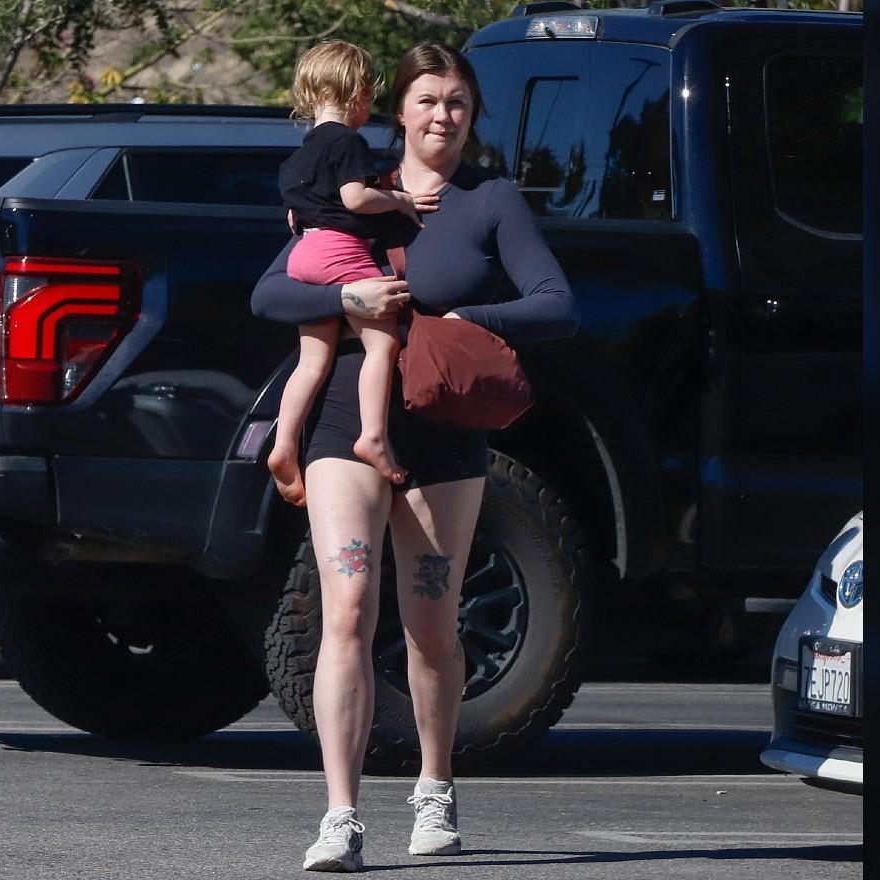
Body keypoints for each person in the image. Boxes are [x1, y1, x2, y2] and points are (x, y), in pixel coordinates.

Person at [251, 42, 579, 873]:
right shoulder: (351, 185)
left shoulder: (489, 201)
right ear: (395, 109)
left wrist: (472, 321)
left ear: (472, 115)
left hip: (440, 435)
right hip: (343, 426)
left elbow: (557, 304)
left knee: (431, 625)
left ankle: (435, 788)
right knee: (349, 605)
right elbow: (270, 291)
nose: (443, 115)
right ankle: (341, 815)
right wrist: (343, 299)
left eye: (458, 102)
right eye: (427, 100)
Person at [270, 40, 442, 507]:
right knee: (383, 342)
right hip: (338, 250)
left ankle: (285, 443)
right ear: (358, 95)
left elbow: (293, 217)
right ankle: (372, 436)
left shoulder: (300, 154)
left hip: (303, 253)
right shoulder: (348, 141)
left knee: (312, 361)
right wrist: (399, 200)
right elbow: (354, 199)